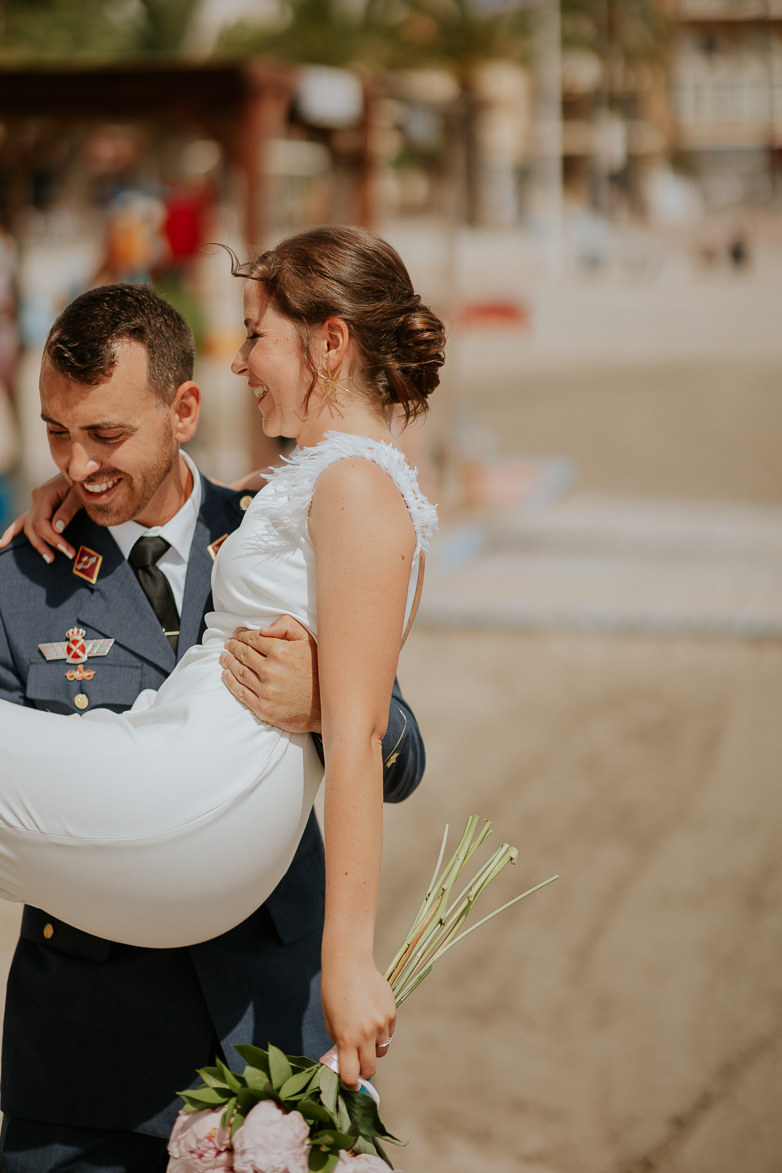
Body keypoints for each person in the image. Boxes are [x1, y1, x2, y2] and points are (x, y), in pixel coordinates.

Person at [0, 251, 435, 1172]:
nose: (78, 464)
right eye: (56, 434)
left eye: (106, 434)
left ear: (181, 413)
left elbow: (391, 741)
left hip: (261, 1022)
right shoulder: (18, 574)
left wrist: (321, 705)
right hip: (91, 1050)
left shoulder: (277, 512)